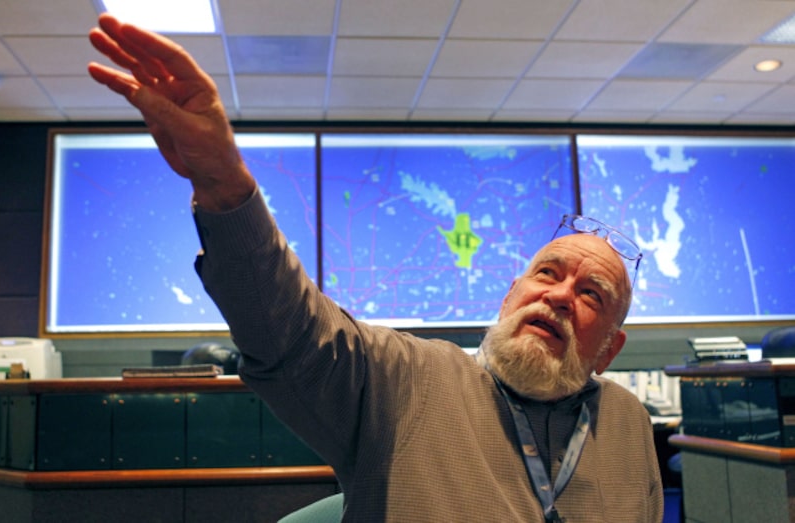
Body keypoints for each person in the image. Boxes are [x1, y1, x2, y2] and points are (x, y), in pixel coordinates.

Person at [88, 13, 663, 522]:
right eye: (547, 273)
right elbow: (290, 332)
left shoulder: (629, 425)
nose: (560, 295)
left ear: (609, 350)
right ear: (510, 296)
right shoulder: (408, 380)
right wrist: (221, 183)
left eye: (591, 294)